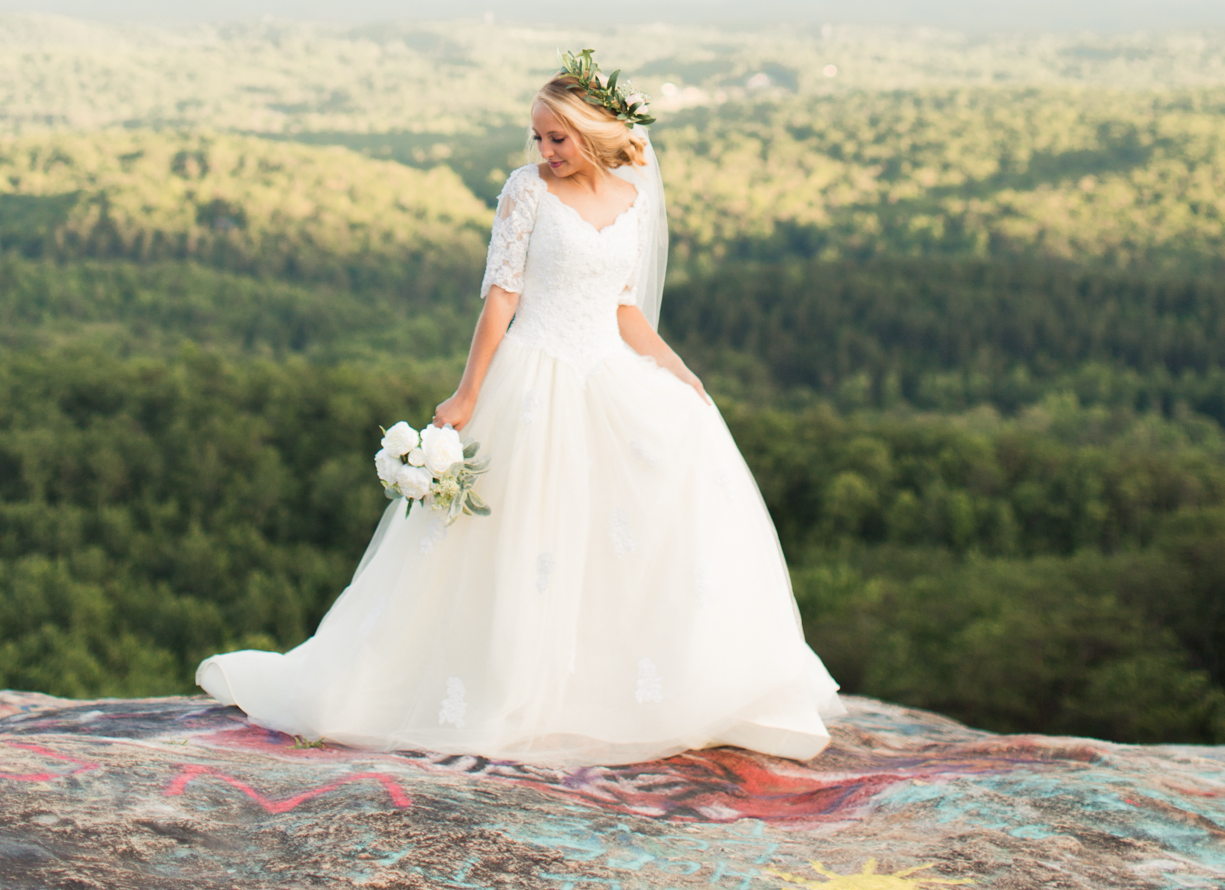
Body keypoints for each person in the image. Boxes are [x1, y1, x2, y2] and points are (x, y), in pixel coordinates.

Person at [197, 51, 839, 765]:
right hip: (532, 379)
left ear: (592, 134)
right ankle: (500, 688)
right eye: (537, 138)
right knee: (518, 539)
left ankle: (614, 686)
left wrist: (679, 370)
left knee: (628, 527)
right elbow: (502, 296)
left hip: (608, 377)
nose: (544, 151)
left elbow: (625, 310)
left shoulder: (632, 201)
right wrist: (469, 391)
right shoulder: (525, 193)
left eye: (556, 138)